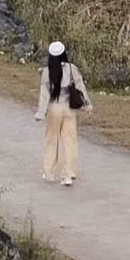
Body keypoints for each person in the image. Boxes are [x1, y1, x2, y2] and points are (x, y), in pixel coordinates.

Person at [34, 39, 92, 186]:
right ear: (64, 53)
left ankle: (49, 172)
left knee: (51, 140)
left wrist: (40, 113)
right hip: (69, 109)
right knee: (70, 141)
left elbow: (44, 94)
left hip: (54, 108)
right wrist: (87, 105)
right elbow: (80, 87)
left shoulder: (48, 72)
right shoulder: (72, 69)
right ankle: (68, 175)